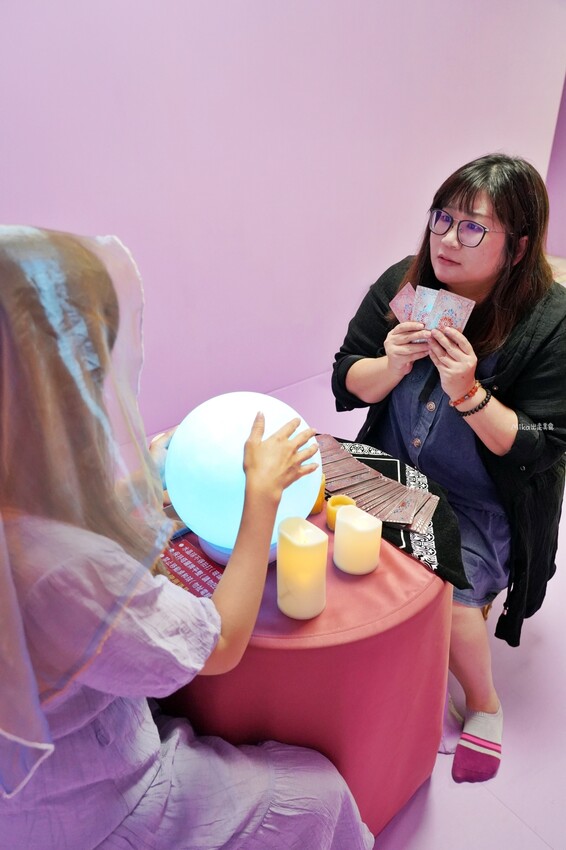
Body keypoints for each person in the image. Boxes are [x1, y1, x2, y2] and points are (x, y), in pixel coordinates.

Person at [0, 226, 374, 850]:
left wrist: (146, 480)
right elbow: (221, 644)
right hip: (90, 811)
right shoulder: (67, 571)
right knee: (319, 793)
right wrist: (259, 501)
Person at [331, 153, 566, 784]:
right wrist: (390, 364)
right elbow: (346, 379)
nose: (447, 239)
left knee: (453, 599)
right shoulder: (404, 283)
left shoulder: (552, 324)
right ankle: (387, 666)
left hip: (478, 502)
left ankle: (484, 704)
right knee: (312, 520)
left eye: (472, 227)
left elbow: (542, 447)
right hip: (390, 469)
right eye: (442, 218)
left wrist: (469, 393)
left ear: (518, 248)